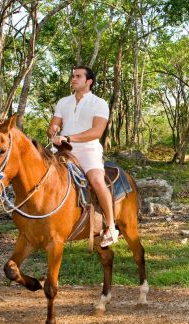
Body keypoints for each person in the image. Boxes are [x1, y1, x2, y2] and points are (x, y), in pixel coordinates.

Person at [47, 66, 118, 247]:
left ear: (89, 81)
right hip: (63, 150)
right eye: (73, 76)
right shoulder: (63, 102)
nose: (74, 79)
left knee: (96, 179)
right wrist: (53, 130)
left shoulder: (99, 103)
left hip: (88, 149)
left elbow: (97, 132)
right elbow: (54, 125)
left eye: (78, 76)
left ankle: (111, 226)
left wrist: (69, 137)